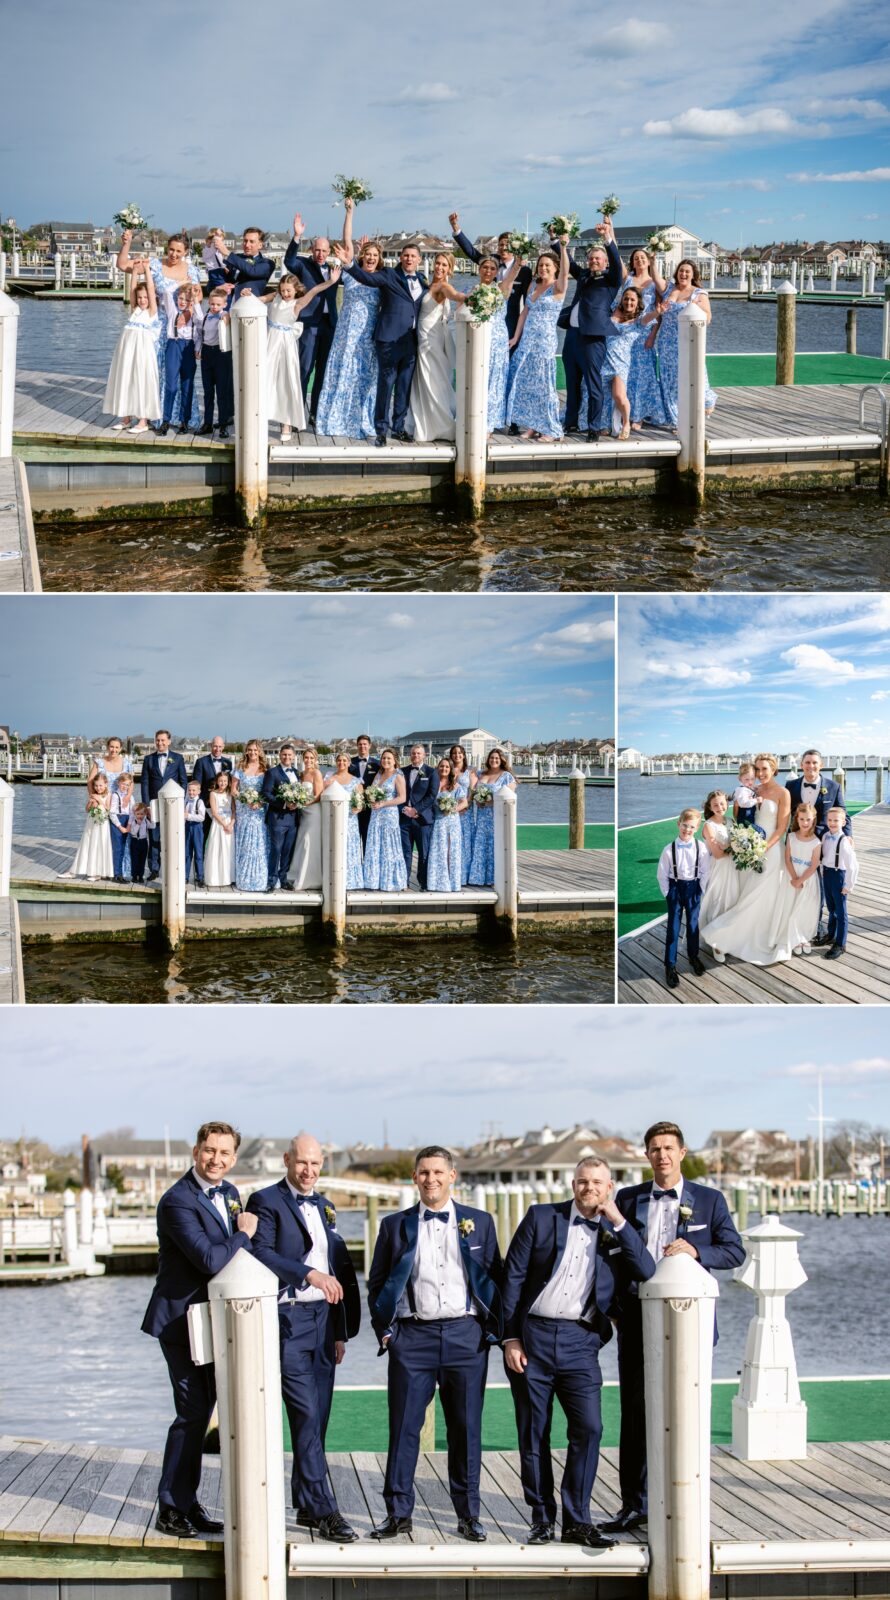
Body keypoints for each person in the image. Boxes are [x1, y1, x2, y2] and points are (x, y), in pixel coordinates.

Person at [502, 1158, 656, 1548]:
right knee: (534, 1432)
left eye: (598, 1183)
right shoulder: (540, 1218)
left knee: (589, 1428)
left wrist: (617, 1220)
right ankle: (541, 1519)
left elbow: (647, 1269)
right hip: (532, 1335)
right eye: (583, 1182)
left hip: (581, 1341)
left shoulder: (618, 1230)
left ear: (610, 1187)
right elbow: (513, 1277)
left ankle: (577, 1521)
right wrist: (509, 1338)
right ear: (573, 1185)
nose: (590, 1188)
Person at [604, 1121, 744, 1536]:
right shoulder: (627, 1199)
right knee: (635, 1413)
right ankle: (636, 1504)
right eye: (654, 1149)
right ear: (646, 1156)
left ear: (682, 1153)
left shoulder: (710, 1200)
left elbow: (734, 1250)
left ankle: (686, 1498)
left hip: (690, 1323)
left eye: (668, 1148)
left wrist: (697, 1249)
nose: (661, 1155)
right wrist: (612, 1307)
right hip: (635, 1318)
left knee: (687, 1410)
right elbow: (607, 1255)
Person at [367, 1145, 503, 1542]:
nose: (431, 1179)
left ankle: (468, 1514)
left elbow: (495, 1277)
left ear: (452, 1175)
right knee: (404, 1428)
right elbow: (377, 1282)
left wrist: (489, 1330)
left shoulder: (480, 1221)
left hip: (465, 1337)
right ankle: (398, 1514)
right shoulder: (395, 1225)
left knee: (466, 1429)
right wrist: (388, 1330)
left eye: (438, 1172)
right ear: (414, 1178)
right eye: (423, 1173)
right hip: (413, 1339)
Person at [141, 1120, 257, 1539]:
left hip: (212, 1322)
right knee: (191, 1412)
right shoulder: (177, 1201)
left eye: (225, 1153)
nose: (217, 1159)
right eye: (210, 1150)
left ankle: (188, 1504)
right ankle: (170, 1508)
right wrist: (244, 1234)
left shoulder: (229, 1194)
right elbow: (210, 1259)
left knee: (204, 1410)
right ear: (196, 1152)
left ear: (233, 1158)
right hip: (179, 1319)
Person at [248, 1133, 361, 1544]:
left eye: (315, 1164)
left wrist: (339, 1332)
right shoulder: (264, 1201)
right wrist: (307, 1274)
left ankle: (306, 1504)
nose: (309, 1171)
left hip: (323, 1321)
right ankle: (327, 1510)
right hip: (288, 1320)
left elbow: (334, 1260)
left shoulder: (326, 1206)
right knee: (306, 1416)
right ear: (286, 1160)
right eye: (302, 1163)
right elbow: (260, 1253)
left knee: (320, 1419)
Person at [333, 240, 429, 447]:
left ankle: (399, 428)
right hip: (388, 340)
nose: (409, 259)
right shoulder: (389, 275)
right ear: (400, 257)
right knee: (386, 385)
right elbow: (365, 277)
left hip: (411, 341)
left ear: (419, 259)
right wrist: (349, 264)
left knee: (404, 386)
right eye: (406, 255)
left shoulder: (422, 279)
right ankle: (381, 431)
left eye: (413, 256)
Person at [699, 755, 792, 967]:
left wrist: (763, 847)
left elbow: (782, 828)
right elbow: (737, 817)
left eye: (764, 769)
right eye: (757, 769)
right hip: (748, 848)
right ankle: (727, 936)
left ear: (774, 769)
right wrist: (742, 843)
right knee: (745, 892)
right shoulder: (752, 790)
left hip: (770, 848)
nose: (760, 773)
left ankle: (735, 936)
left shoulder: (783, 793)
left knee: (761, 894)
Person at [116, 229, 202, 429]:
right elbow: (122, 265)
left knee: (178, 373)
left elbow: (197, 298)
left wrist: (187, 315)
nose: (173, 254)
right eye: (171, 250)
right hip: (155, 326)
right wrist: (126, 243)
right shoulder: (154, 265)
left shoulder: (192, 271)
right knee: (152, 369)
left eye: (178, 251)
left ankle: (178, 416)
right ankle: (152, 415)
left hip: (179, 328)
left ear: (186, 252)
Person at [315, 200, 381, 440]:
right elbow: (346, 240)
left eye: (375, 255)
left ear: (379, 258)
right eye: (368, 254)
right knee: (343, 372)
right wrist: (350, 212)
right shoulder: (352, 273)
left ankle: (363, 420)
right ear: (362, 256)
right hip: (346, 333)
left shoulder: (382, 279)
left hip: (368, 335)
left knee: (364, 377)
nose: (371, 258)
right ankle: (337, 419)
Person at [260, 268, 343, 443]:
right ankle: (261, 416)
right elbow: (260, 300)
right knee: (265, 380)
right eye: (282, 290)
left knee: (287, 382)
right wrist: (247, 296)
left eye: (288, 290)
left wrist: (330, 282)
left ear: (296, 289)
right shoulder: (275, 297)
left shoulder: (297, 304)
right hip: (270, 344)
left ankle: (287, 423)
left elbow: (313, 291)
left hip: (286, 346)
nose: (285, 293)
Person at [559, 219, 622, 440]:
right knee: (572, 383)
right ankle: (571, 424)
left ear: (604, 262)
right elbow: (569, 264)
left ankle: (594, 427)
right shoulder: (584, 276)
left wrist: (607, 238)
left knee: (594, 385)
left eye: (598, 258)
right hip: (572, 336)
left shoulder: (612, 280)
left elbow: (616, 261)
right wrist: (560, 243)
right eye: (591, 258)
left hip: (593, 339)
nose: (593, 261)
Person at [505, 241, 569, 441]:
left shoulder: (558, 287)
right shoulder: (534, 285)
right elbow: (524, 312)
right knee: (528, 383)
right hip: (527, 341)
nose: (543, 268)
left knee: (545, 385)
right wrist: (515, 337)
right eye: (541, 265)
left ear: (555, 267)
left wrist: (564, 247)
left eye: (547, 265)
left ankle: (550, 428)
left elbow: (566, 272)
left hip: (545, 342)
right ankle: (533, 425)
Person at [785, 749, 851, 947]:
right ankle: (795, 920)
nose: (811, 766)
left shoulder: (833, 786)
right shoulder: (790, 785)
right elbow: (784, 812)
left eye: (814, 763)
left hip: (824, 842)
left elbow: (843, 813)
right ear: (801, 764)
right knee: (796, 878)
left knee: (820, 883)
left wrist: (848, 836)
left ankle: (817, 925)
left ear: (821, 765)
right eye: (807, 762)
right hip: (798, 839)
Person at [642, 259, 716, 427]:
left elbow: (708, 317)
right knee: (670, 379)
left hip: (688, 341)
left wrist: (696, 309)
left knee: (694, 374)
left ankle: (707, 401)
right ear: (677, 273)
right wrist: (652, 260)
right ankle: (677, 420)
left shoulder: (699, 294)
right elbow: (655, 277)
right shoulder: (668, 289)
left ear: (693, 275)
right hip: (667, 342)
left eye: (687, 272)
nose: (683, 274)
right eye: (681, 271)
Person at [283, 217, 343, 420]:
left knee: (323, 372)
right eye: (317, 250)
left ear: (329, 252)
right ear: (312, 250)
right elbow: (288, 261)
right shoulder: (303, 265)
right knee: (305, 369)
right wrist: (297, 236)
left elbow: (357, 272)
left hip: (329, 325)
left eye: (325, 251)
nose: (320, 254)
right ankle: (297, 412)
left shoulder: (335, 270)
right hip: (309, 324)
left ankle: (316, 413)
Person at [408, 252, 465, 443]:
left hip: (430, 340)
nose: (439, 267)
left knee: (433, 379)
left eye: (444, 265)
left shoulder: (443, 286)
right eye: (438, 263)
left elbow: (455, 295)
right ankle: (424, 421)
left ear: (450, 269)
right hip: (422, 336)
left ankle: (441, 425)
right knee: (425, 380)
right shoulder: (426, 282)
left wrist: (468, 297)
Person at [449, 214, 533, 340]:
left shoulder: (524, 271)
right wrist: (456, 227)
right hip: (485, 319)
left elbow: (527, 302)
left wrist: (524, 330)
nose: (503, 248)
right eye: (501, 244)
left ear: (515, 248)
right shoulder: (491, 262)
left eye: (507, 245)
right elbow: (472, 253)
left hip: (510, 321)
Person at [616, 247, 670, 428]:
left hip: (646, 329)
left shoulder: (654, 283)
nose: (639, 260)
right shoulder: (628, 279)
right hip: (628, 329)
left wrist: (653, 336)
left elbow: (659, 312)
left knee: (644, 372)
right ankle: (627, 412)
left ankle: (639, 415)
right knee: (628, 370)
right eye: (636, 258)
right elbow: (615, 253)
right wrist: (610, 230)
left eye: (642, 257)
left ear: (648, 261)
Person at [656, 808, 710, 989]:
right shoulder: (668, 850)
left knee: (693, 925)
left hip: (693, 887)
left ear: (697, 828)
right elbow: (662, 874)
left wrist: (700, 890)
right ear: (678, 824)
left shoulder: (700, 847)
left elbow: (705, 871)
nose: (687, 830)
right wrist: (668, 893)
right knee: (673, 927)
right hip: (675, 888)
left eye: (691, 827)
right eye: (684, 825)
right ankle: (670, 965)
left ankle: (693, 956)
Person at [103, 268, 161, 434]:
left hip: (143, 354)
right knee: (126, 380)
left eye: (145, 297)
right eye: (140, 297)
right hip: (127, 353)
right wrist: (135, 270)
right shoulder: (135, 310)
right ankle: (126, 418)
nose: (143, 300)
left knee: (141, 382)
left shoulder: (152, 312)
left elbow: (150, 288)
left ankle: (143, 420)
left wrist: (147, 271)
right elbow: (132, 289)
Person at [769, 803, 822, 959]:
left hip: (807, 879)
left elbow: (814, 865)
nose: (805, 823)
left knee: (804, 908)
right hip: (791, 877)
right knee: (790, 906)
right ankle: (792, 937)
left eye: (808, 820)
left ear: (813, 820)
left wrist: (801, 880)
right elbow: (787, 858)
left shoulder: (816, 842)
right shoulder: (791, 837)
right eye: (802, 819)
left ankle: (803, 936)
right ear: (797, 819)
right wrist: (794, 878)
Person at [698, 791, 739, 964]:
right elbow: (718, 854)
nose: (720, 807)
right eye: (715, 805)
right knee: (718, 902)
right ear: (709, 807)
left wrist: (735, 846)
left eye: (722, 804)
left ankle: (727, 937)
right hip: (719, 868)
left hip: (733, 868)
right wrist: (734, 845)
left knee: (731, 901)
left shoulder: (730, 821)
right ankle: (716, 943)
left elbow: (732, 847)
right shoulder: (708, 826)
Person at [141, 731, 188, 882]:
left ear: (169, 741)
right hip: (154, 804)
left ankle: (173, 867)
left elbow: (183, 782)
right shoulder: (148, 759)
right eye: (157, 740)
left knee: (172, 836)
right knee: (154, 837)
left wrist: (180, 803)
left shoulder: (178, 758)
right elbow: (145, 783)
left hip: (172, 805)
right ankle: (154, 869)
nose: (160, 743)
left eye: (162, 740)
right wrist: (146, 805)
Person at [600, 286, 645, 440]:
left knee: (619, 395)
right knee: (603, 395)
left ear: (638, 302)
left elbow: (650, 318)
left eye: (632, 299)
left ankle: (626, 423)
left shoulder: (639, 320)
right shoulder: (614, 312)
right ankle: (605, 424)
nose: (628, 302)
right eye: (626, 298)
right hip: (604, 359)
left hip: (620, 362)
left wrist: (658, 311)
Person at [158, 284, 203, 437]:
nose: (182, 302)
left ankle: (185, 420)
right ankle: (166, 420)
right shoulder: (172, 311)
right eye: (180, 298)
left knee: (187, 386)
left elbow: (201, 324)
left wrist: (195, 298)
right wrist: (183, 281)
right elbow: (166, 290)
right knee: (170, 386)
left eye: (186, 299)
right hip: (173, 346)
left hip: (188, 348)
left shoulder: (194, 315)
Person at [468, 750, 516, 886]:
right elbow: (472, 786)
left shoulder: (506, 776)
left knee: (495, 845)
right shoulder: (481, 774)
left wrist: (491, 801)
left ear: (501, 760)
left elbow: (510, 798)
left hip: (497, 816)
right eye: (491, 758)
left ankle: (495, 878)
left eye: (496, 758)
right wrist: (477, 798)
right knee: (481, 844)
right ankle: (479, 878)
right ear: (488, 759)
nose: (493, 760)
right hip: (482, 817)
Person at [363, 747, 408, 891]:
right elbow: (372, 792)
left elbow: (402, 798)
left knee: (389, 847)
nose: (386, 761)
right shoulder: (378, 774)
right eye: (383, 758)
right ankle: (374, 880)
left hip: (389, 814)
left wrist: (384, 803)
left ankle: (391, 880)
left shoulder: (398, 775)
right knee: (375, 845)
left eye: (389, 758)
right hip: (375, 815)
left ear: (395, 760)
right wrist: (371, 799)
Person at [262, 743, 304, 892]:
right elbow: (266, 794)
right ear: (280, 756)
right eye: (284, 754)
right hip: (277, 818)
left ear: (294, 756)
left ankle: (284, 879)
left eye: (289, 755)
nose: (287, 757)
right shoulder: (272, 773)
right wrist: (284, 804)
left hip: (293, 819)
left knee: (287, 850)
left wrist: (298, 802)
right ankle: (271, 881)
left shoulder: (297, 773)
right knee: (276, 849)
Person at [819, 806, 859, 961]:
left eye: (836, 820)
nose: (832, 823)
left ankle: (840, 944)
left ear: (843, 822)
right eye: (830, 820)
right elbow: (824, 856)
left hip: (839, 875)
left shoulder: (844, 841)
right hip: (827, 874)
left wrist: (848, 885)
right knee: (831, 908)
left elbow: (853, 865)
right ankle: (831, 935)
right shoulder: (825, 836)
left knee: (841, 912)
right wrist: (823, 871)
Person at [399, 744, 439, 890]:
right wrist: (405, 810)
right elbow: (398, 793)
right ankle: (404, 881)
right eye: (413, 753)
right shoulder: (402, 772)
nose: (415, 756)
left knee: (423, 853)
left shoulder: (431, 772)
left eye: (418, 753)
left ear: (424, 755)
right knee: (405, 852)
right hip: (404, 819)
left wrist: (416, 810)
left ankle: (423, 882)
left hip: (422, 820)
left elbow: (432, 796)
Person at [324, 752, 365, 889]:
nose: (341, 763)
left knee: (349, 847)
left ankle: (351, 880)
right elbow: (323, 797)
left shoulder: (356, 781)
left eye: (344, 760)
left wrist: (357, 808)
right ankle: (333, 878)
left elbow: (360, 802)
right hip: (333, 819)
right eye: (339, 760)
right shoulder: (329, 778)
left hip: (350, 820)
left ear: (349, 763)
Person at [232, 739, 269, 893]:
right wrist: (245, 799)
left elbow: (268, 791)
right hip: (244, 811)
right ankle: (244, 879)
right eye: (250, 750)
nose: (253, 753)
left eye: (255, 750)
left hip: (260, 811)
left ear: (259, 751)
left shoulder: (265, 769)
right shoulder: (239, 768)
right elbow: (233, 790)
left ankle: (260, 879)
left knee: (259, 843)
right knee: (246, 844)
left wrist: (259, 802)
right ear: (246, 751)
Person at [197, 287, 233, 439]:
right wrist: (198, 350)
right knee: (208, 392)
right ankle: (208, 423)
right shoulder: (205, 317)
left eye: (218, 304)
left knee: (222, 392)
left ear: (224, 304)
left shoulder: (224, 315)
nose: (214, 307)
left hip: (221, 355)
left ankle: (223, 424)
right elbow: (200, 334)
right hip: (207, 354)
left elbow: (229, 317)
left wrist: (225, 315)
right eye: (212, 304)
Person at [426, 757, 465, 892]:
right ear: (438, 768)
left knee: (451, 851)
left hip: (451, 821)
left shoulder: (455, 785)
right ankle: (436, 882)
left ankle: (452, 883)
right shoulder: (433, 783)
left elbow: (464, 803)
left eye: (447, 767)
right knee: (438, 851)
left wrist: (452, 809)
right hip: (437, 822)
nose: (444, 769)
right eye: (442, 766)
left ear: (450, 769)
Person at [290, 747, 324, 891]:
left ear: (315, 760)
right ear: (302, 759)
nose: (308, 760)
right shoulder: (301, 774)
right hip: (303, 813)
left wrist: (303, 803)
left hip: (314, 813)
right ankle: (296, 874)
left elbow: (318, 795)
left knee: (309, 842)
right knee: (301, 841)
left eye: (311, 758)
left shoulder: (317, 773)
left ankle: (310, 879)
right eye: (306, 758)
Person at [210, 225, 274, 301]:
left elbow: (252, 271)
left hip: (247, 307)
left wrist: (227, 253)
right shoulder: (234, 258)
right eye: (245, 241)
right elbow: (211, 283)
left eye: (251, 241)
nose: (247, 245)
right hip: (225, 306)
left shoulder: (267, 263)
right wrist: (218, 286)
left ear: (260, 245)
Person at [70, 773, 113, 881]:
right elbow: (87, 810)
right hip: (91, 822)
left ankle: (99, 872)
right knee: (89, 844)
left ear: (106, 784)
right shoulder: (92, 795)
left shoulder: (109, 795)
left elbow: (108, 809)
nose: (98, 788)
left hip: (102, 824)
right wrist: (91, 803)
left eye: (100, 785)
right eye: (96, 786)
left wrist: (99, 800)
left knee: (99, 845)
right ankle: (82, 870)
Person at [192, 739, 234, 841]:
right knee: (204, 835)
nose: (217, 749)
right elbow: (197, 784)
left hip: (224, 805)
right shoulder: (201, 762)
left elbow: (229, 783)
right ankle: (201, 857)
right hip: (206, 805)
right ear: (211, 746)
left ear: (223, 747)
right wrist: (200, 803)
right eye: (215, 746)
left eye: (220, 747)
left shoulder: (228, 763)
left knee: (223, 836)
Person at [449, 744, 477, 886]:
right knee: (453, 841)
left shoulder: (470, 771)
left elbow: (472, 791)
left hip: (465, 811)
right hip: (449, 810)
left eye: (459, 753)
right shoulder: (448, 769)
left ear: (464, 755)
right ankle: (453, 872)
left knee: (465, 841)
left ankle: (465, 875)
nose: (457, 755)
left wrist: (466, 805)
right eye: (454, 753)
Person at [204, 771, 235, 889]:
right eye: (221, 781)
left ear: (228, 782)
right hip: (218, 823)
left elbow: (233, 810)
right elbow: (214, 812)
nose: (223, 783)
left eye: (225, 781)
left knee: (228, 849)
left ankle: (228, 877)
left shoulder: (230, 793)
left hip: (229, 823)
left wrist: (231, 823)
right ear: (217, 781)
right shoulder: (213, 793)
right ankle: (216, 878)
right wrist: (224, 824)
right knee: (217, 849)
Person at [349, 736, 380, 850]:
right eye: (360, 744)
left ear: (369, 745)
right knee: (353, 837)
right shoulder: (350, 763)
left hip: (370, 807)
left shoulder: (377, 764)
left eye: (365, 744)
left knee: (368, 837)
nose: (362, 746)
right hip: (353, 806)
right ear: (357, 746)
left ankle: (367, 865)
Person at [109, 772, 135, 882]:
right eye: (123, 784)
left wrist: (128, 826)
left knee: (125, 849)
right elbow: (112, 813)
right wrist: (120, 827)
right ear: (119, 783)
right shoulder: (115, 795)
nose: (125, 786)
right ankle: (117, 874)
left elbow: (132, 812)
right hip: (117, 823)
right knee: (118, 849)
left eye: (127, 785)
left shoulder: (131, 797)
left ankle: (124, 873)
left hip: (127, 821)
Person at [184, 781, 206, 887]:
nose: (191, 792)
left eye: (193, 790)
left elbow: (202, 817)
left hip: (197, 828)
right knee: (187, 854)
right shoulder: (186, 801)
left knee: (198, 854)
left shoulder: (200, 802)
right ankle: (185, 876)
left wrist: (188, 816)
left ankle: (200, 877)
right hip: (187, 827)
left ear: (199, 791)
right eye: (189, 790)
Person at [732, 762, 762, 831]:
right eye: (747, 779)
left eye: (753, 779)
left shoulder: (747, 787)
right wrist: (756, 800)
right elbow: (744, 803)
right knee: (755, 832)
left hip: (749, 817)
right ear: (740, 779)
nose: (750, 782)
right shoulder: (742, 790)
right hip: (744, 817)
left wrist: (756, 787)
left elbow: (751, 788)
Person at [129, 803, 150, 883]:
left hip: (143, 842)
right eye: (138, 814)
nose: (140, 816)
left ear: (145, 814)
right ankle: (134, 876)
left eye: (142, 814)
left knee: (142, 860)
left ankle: (140, 876)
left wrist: (151, 818)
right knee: (135, 860)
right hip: (135, 841)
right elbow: (133, 831)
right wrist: (138, 824)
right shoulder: (133, 822)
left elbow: (153, 826)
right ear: (134, 814)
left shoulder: (146, 821)